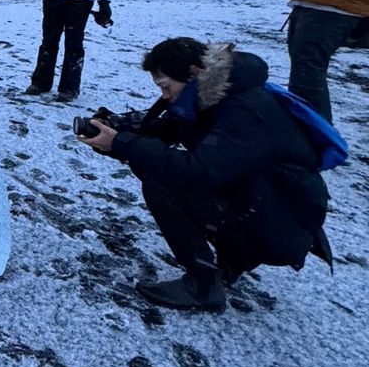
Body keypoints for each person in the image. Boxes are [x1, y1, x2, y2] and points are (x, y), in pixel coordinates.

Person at [78, 36, 331, 312]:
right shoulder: (215, 93)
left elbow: (199, 171)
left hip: (283, 224)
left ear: (194, 73)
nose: (164, 95)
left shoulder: (244, 110)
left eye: (165, 86)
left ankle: (203, 285)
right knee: (153, 163)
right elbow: (167, 129)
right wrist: (115, 131)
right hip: (264, 204)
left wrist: (122, 143)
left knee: (162, 182)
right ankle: (234, 259)